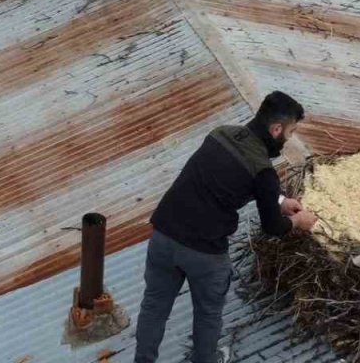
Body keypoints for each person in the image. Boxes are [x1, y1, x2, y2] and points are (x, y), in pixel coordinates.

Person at [135, 92, 319, 363]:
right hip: (204, 252)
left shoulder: (220, 134)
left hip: (164, 234)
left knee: (154, 305)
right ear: (276, 129)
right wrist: (298, 221)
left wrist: (279, 200)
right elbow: (273, 227)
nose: (289, 138)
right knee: (208, 314)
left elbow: (229, 178)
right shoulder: (264, 172)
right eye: (290, 132)